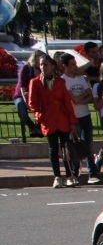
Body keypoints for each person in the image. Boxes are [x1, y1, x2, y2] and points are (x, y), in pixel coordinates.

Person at [28, 53, 78, 188]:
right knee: (53, 149)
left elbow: (67, 103)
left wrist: (72, 121)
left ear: (52, 66)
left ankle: (69, 175)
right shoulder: (35, 82)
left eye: (45, 65)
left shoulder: (60, 82)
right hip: (48, 120)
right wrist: (39, 115)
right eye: (41, 65)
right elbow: (32, 103)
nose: (43, 67)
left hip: (62, 119)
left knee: (65, 148)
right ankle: (57, 176)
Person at [59, 54, 101, 184]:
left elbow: (91, 97)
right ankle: (74, 174)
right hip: (73, 118)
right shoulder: (63, 80)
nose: (75, 66)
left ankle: (92, 174)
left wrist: (83, 97)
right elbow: (75, 100)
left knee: (88, 145)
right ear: (64, 66)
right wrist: (84, 95)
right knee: (74, 147)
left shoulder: (81, 78)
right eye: (72, 64)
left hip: (85, 115)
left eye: (75, 63)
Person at [14, 50, 44, 138]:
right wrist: (26, 99)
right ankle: (32, 127)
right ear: (35, 58)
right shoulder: (26, 68)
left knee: (44, 108)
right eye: (40, 57)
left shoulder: (43, 69)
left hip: (36, 95)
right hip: (22, 94)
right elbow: (22, 84)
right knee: (22, 111)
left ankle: (39, 128)